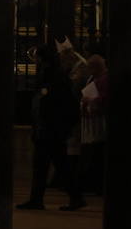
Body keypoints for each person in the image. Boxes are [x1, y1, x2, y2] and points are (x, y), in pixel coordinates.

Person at [18, 44, 85, 211]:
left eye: (37, 57)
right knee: (51, 164)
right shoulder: (54, 75)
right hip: (49, 128)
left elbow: (50, 104)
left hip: (50, 129)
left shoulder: (51, 76)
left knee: (51, 165)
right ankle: (43, 199)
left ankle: (69, 197)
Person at [79, 53, 109, 196]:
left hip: (100, 121)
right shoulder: (94, 78)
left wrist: (90, 101)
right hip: (92, 120)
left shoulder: (105, 79)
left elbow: (105, 99)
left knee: (97, 154)